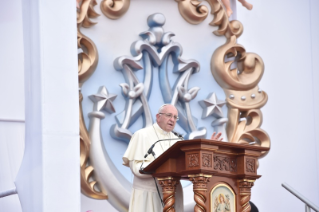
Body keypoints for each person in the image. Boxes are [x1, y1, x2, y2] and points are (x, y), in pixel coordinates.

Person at [123, 104, 223, 212]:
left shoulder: (177, 141)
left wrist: (207, 149)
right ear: (158, 117)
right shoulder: (141, 135)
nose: (172, 119)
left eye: (175, 117)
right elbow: (136, 169)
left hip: (173, 195)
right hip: (148, 194)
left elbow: (189, 165)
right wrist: (160, 167)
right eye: (169, 115)